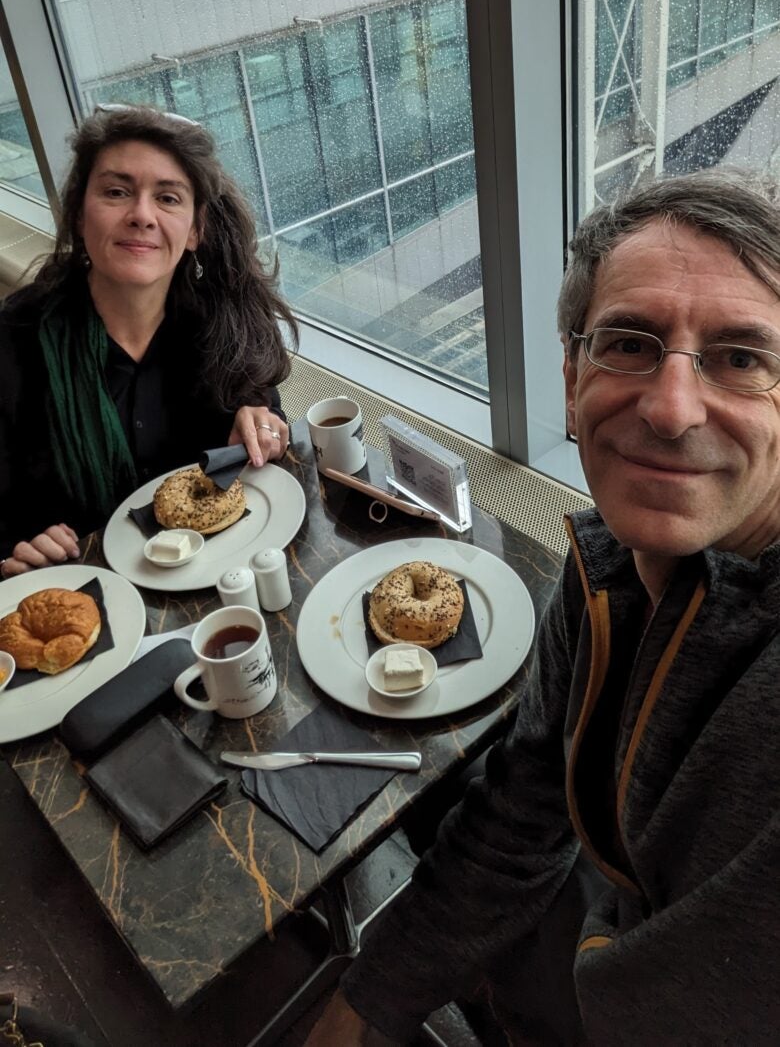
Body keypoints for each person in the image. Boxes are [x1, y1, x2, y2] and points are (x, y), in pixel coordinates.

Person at [304, 168, 780, 1046]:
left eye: (741, 357)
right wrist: (377, 992)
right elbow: (525, 805)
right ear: (571, 378)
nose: (672, 409)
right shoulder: (605, 567)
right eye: (630, 343)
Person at [0, 105, 297, 579]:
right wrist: (16, 551)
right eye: (117, 192)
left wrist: (263, 422)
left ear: (196, 229)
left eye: (168, 198)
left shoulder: (223, 323)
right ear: (78, 214)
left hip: (224, 573)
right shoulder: (14, 344)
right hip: (84, 593)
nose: (142, 215)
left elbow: (263, 420)